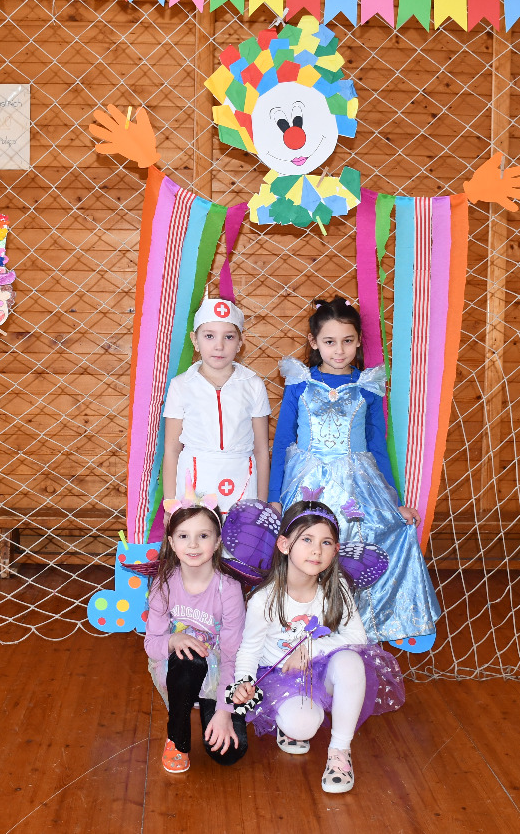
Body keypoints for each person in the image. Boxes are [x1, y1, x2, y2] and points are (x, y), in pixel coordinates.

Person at [268, 297, 442, 644]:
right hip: (306, 484)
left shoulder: (368, 386)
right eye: (330, 341)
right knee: (305, 547)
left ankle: (352, 630)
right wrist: (274, 498)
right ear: (314, 342)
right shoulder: (300, 382)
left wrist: (395, 503)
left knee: (355, 542)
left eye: (347, 341)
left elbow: (377, 446)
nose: (339, 350)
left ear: (359, 340)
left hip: (357, 483)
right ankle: (299, 627)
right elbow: (283, 441)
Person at [230, 500, 404, 793]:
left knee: (350, 661)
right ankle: (287, 721)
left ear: (336, 550)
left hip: (320, 673)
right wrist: (243, 682)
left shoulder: (336, 589)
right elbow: (249, 650)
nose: (316, 550)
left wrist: (311, 649)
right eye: (307, 540)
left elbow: (357, 637)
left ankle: (339, 752)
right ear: (284, 545)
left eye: (326, 542)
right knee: (302, 726)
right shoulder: (264, 599)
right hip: (280, 678)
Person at [143, 503, 249, 773]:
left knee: (229, 753)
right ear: (171, 542)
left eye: (203, 535)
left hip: (221, 672)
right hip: (181, 669)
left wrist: (224, 712)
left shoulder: (229, 589)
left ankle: (207, 706)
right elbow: (152, 645)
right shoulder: (163, 585)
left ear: (217, 542)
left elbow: (232, 656)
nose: (193, 544)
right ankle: (177, 738)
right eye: (183, 536)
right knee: (187, 655)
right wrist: (173, 640)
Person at [162, 296, 271, 513]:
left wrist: (261, 504)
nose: (219, 346)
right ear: (195, 340)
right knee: (199, 534)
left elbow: (261, 450)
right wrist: (170, 506)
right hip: (195, 483)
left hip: (242, 481)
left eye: (229, 337)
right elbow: (172, 450)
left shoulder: (253, 385)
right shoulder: (181, 385)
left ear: (240, 342)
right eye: (209, 336)